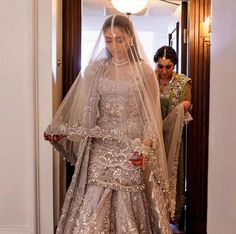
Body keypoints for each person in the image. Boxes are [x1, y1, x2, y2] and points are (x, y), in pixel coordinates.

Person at [44, 15, 171, 234]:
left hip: (131, 147)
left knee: (128, 202)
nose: (114, 46)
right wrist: (65, 133)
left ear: (131, 38)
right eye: (108, 40)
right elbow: (86, 112)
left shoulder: (145, 71)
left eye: (119, 39)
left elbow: (151, 116)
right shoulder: (96, 69)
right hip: (100, 149)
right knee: (92, 202)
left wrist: (145, 146)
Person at [153, 46, 192, 229]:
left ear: (174, 66)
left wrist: (177, 110)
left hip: (173, 136)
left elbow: (186, 103)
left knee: (172, 170)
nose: (163, 71)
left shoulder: (183, 82)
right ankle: (153, 211)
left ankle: (171, 213)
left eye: (168, 67)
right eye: (160, 66)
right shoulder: (150, 79)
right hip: (152, 136)